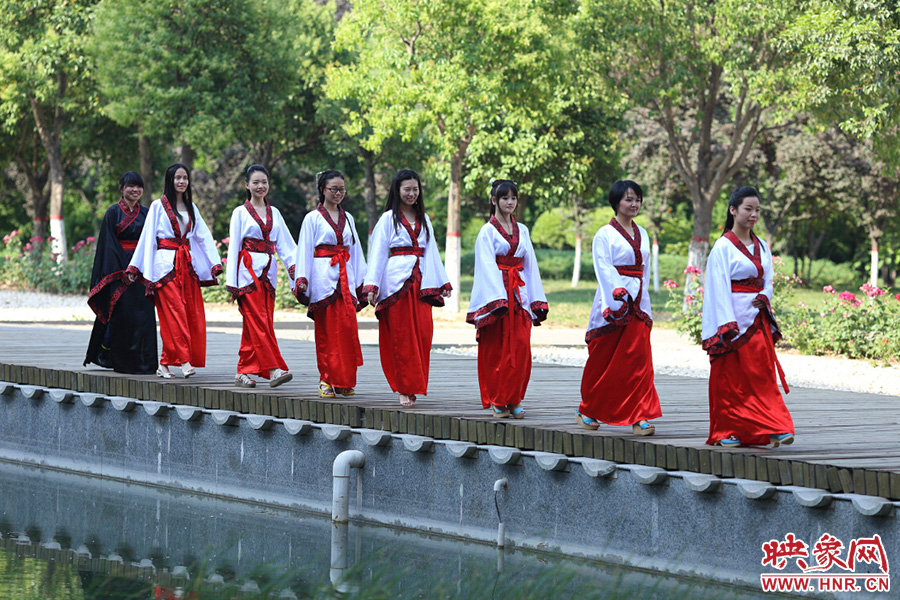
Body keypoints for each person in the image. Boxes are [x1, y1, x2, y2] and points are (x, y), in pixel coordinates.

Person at [701, 186, 794, 447]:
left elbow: (769, 277)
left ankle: (775, 426)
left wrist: (766, 294)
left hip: (756, 317)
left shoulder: (762, 244)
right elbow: (718, 287)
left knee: (761, 374)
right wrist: (726, 324)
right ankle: (728, 430)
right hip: (732, 321)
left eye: (757, 210)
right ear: (733, 210)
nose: (754, 215)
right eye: (748, 209)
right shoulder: (722, 246)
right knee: (730, 379)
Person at [578, 180, 661, 435]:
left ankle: (640, 416)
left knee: (639, 359)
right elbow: (603, 267)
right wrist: (618, 293)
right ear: (616, 202)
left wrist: (641, 297)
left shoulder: (643, 233)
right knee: (603, 359)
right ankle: (588, 408)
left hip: (638, 303)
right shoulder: (605, 233)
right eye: (628, 199)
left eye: (637, 199)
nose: (634, 204)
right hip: (612, 302)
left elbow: (643, 271)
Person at [363, 169, 451, 407]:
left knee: (423, 335)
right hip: (396, 284)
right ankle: (403, 388)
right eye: (407, 189)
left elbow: (432, 251)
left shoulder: (425, 218)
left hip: (422, 283)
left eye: (415, 189)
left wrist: (442, 281)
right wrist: (372, 285)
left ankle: (415, 384)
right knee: (402, 338)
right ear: (397, 190)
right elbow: (378, 253)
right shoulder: (387, 219)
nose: (412, 193)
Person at [127, 163, 222, 378]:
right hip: (164, 268)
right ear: (169, 180)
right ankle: (185, 361)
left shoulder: (191, 207)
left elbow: (203, 236)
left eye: (185, 178)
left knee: (187, 314)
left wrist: (214, 264)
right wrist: (136, 266)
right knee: (175, 313)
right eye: (177, 178)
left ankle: (164, 363)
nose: (181, 182)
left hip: (186, 267)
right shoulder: (157, 206)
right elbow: (147, 237)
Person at [466, 180, 548, 418]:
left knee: (521, 347)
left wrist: (535, 299)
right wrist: (498, 300)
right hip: (497, 298)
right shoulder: (487, 231)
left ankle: (515, 398)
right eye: (504, 198)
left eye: (513, 198)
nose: (510, 202)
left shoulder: (523, 229)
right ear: (494, 201)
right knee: (497, 350)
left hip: (520, 295)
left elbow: (530, 265)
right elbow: (486, 266)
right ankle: (498, 399)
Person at [294, 170, 367, 397]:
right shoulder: (312, 218)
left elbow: (355, 251)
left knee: (346, 330)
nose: (338, 193)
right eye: (333, 189)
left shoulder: (349, 218)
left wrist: (362, 283)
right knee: (325, 332)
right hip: (323, 278)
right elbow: (305, 249)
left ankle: (344, 380)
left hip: (345, 280)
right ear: (322, 189)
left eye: (341, 189)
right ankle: (326, 379)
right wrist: (302, 278)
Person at [225, 165, 297, 388]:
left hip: (268, 274)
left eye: (264, 182)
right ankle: (275, 368)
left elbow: (285, 244)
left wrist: (294, 267)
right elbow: (234, 247)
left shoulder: (274, 213)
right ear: (247, 185)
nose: (260, 186)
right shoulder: (240, 212)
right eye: (255, 182)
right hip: (247, 275)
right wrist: (231, 281)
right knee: (258, 321)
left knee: (257, 323)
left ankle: (242, 371)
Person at [84, 171, 157, 374]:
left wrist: (141, 267)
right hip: (120, 271)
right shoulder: (113, 212)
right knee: (122, 315)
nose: (135, 190)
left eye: (138, 186)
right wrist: (123, 271)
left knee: (143, 316)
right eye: (130, 186)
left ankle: (145, 362)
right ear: (122, 189)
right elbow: (109, 244)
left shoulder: (146, 213)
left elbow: (151, 242)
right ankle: (120, 360)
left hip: (142, 271)